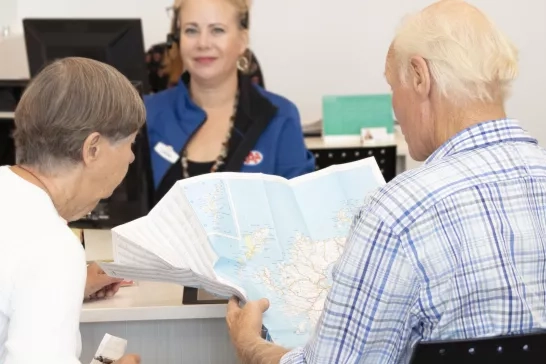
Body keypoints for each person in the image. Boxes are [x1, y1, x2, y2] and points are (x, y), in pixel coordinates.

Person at [226, 0, 546, 363]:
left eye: (394, 87)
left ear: (420, 75)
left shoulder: (398, 212)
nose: (395, 108)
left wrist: (251, 345)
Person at [0, 57, 142, 364]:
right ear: (92, 149)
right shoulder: (52, 247)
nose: (131, 159)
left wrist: (63, 289)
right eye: (130, 143)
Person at [144, 0, 315, 204]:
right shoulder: (146, 113)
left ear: (242, 40)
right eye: (191, 30)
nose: (203, 43)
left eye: (217, 30)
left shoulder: (279, 116)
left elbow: (303, 215)